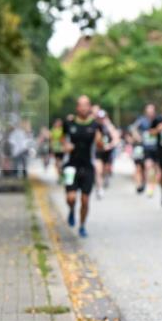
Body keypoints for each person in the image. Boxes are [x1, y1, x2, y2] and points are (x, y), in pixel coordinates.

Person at [62, 96, 103, 238]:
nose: (84, 108)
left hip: (87, 166)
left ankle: (82, 225)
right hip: (71, 166)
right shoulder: (69, 123)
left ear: (90, 107)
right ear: (77, 108)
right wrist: (65, 145)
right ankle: (72, 210)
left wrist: (99, 142)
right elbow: (61, 139)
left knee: (85, 200)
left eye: (86, 105)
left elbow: (100, 145)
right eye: (81, 105)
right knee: (71, 198)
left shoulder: (95, 125)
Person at [130, 104, 158, 195]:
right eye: (148, 111)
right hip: (144, 148)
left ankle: (151, 186)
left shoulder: (158, 120)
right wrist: (138, 137)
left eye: (152, 111)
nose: (150, 113)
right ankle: (143, 184)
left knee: (153, 169)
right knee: (143, 166)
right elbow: (133, 128)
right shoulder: (141, 120)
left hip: (155, 148)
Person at [94, 110, 121, 198]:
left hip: (108, 152)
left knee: (106, 169)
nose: (101, 120)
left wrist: (109, 146)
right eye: (99, 118)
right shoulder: (95, 127)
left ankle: (106, 178)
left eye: (103, 118)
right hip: (98, 152)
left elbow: (116, 139)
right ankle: (99, 188)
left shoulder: (109, 127)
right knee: (98, 170)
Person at [49, 118, 66, 182]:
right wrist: (51, 149)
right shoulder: (52, 130)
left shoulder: (62, 130)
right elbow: (51, 140)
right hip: (56, 148)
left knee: (60, 163)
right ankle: (60, 176)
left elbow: (64, 139)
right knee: (57, 163)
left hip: (61, 148)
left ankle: (61, 176)